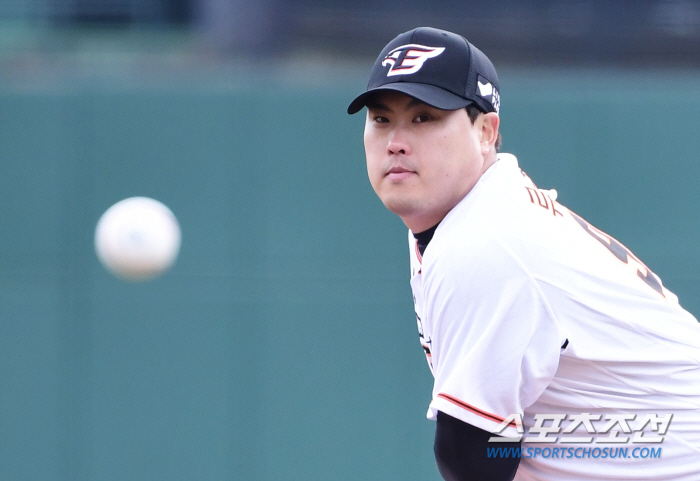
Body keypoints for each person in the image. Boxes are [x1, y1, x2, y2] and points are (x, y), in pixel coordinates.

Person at [347, 26, 700, 481]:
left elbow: (469, 454)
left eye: (424, 117)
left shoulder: (484, 241)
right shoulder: (470, 217)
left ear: (485, 132)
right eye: (381, 118)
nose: (396, 140)